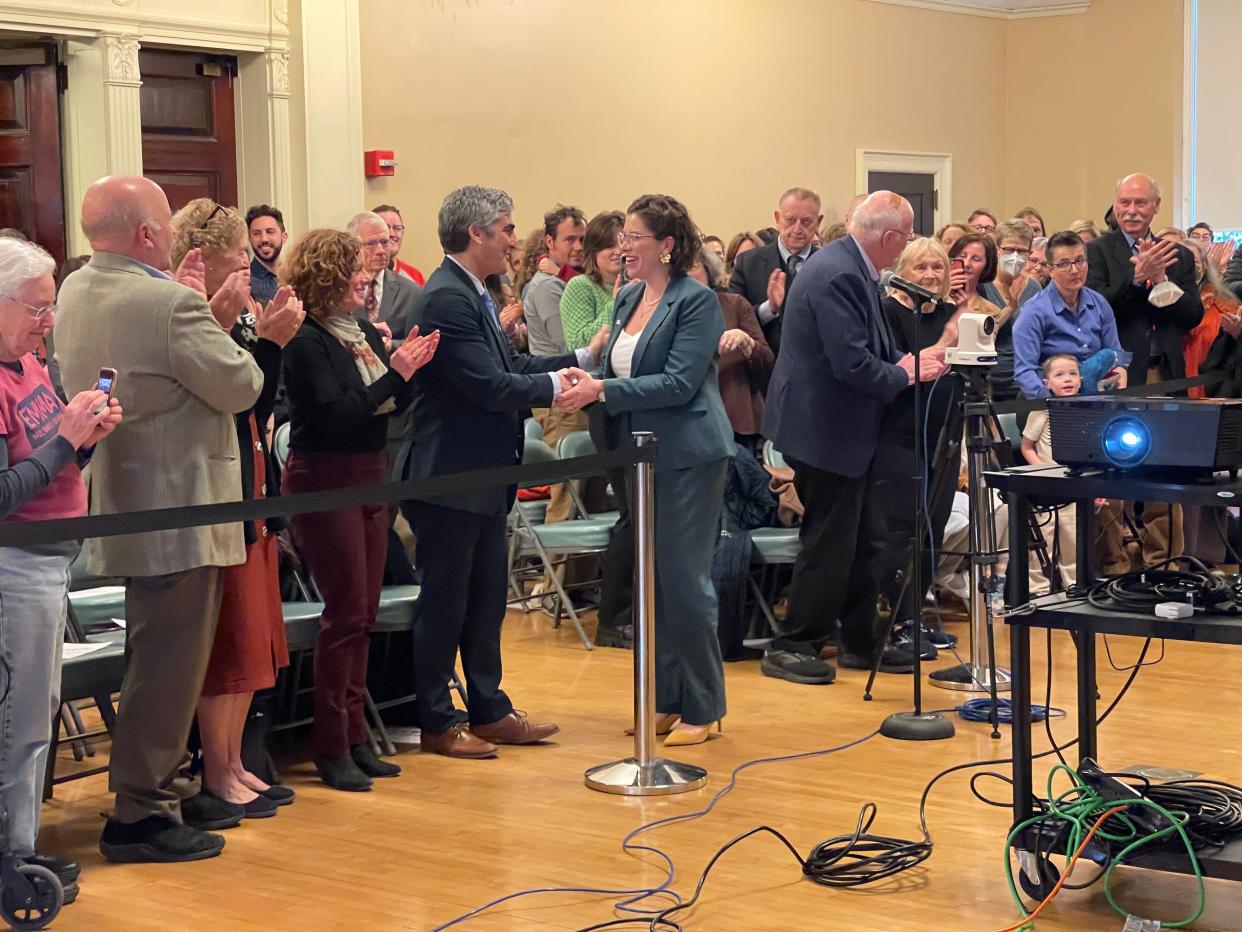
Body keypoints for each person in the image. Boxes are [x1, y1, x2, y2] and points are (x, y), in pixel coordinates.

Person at [55, 175, 264, 862]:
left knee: (155, 659)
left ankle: (148, 798)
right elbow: (240, 385)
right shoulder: (173, 304)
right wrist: (221, 319)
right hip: (181, 509)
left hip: (120, 499)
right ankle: (144, 811)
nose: (174, 233)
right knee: (170, 667)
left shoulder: (76, 289)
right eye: (167, 223)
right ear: (148, 234)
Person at [398, 186, 603, 759]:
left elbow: (507, 365)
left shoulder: (475, 291)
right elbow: (487, 387)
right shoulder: (445, 296)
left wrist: (578, 362)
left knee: (486, 598)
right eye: (508, 230)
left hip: (483, 473)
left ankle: (489, 708)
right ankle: (437, 719)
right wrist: (559, 390)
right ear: (478, 235)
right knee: (446, 603)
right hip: (449, 475)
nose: (516, 240)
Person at [555, 194, 734, 744]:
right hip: (634, 453)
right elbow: (613, 363)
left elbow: (680, 383)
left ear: (667, 245)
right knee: (651, 581)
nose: (623, 247)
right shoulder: (629, 295)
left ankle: (704, 705)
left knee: (684, 580)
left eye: (634, 238)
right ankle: (664, 697)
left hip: (687, 454)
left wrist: (603, 388)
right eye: (622, 238)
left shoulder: (696, 301)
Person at [760, 192, 946, 685]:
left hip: (842, 426)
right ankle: (795, 643)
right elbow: (851, 363)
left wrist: (902, 363)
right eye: (905, 238)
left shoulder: (849, 264)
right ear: (889, 238)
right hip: (825, 428)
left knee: (866, 538)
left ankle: (863, 641)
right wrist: (904, 375)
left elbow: (868, 349)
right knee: (830, 541)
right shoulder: (841, 272)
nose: (906, 246)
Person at [281, 229, 439, 790]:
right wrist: (396, 375)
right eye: (355, 267)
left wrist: (410, 371)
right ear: (328, 276)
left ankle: (355, 736)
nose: (367, 276)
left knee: (364, 614)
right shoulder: (306, 341)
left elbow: (389, 406)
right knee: (344, 615)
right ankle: (331, 743)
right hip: (325, 478)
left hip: (371, 472)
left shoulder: (362, 332)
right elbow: (336, 416)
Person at [169, 199, 304, 817]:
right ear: (204, 259)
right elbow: (235, 398)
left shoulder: (232, 314)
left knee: (255, 641)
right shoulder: (193, 317)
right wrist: (262, 340)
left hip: (253, 481)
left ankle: (237, 762)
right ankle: (216, 768)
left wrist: (262, 336)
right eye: (235, 261)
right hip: (219, 491)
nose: (246, 273)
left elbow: (261, 400)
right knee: (231, 643)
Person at [0, 237, 122, 899]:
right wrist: (65, 443)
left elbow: (52, 465)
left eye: (51, 309)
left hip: (50, 560)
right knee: (16, 718)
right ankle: (11, 858)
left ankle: (21, 848)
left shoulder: (30, 365)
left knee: (33, 715)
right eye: (36, 308)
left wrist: (85, 442)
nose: (48, 322)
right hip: (12, 567)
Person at [873, 237, 961, 660]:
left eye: (937, 268)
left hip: (944, 437)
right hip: (898, 435)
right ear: (902, 273)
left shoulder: (952, 316)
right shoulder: (886, 314)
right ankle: (891, 620)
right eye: (920, 268)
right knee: (902, 530)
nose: (930, 276)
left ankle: (916, 614)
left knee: (933, 528)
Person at [1086, 173, 1203, 385]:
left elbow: (1193, 316)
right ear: (1115, 205)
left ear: (1156, 205)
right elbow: (1094, 310)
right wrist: (1136, 280)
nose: (1132, 211)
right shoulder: (1096, 251)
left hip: (1167, 372)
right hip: (1118, 372)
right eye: (1124, 203)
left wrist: (1162, 282)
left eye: (1140, 203)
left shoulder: (1176, 254)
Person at [523, 206, 592, 525]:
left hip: (575, 396)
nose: (578, 247)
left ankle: (576, 576)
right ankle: (552, 577)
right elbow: (569, 344)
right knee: (566, 496)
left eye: (582, 239)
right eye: (570, 239)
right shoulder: (549, 285)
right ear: (549, 242)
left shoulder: (569, 280)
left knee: (586, 499)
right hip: (561, 400)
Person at [1012, 230, 1127, 400]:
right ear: (1050, 269)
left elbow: (1116, 354)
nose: (1075, 270)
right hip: (1048, 400)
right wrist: (1055, 405)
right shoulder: (1033, 311)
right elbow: (1024, 371)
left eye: (1080, 261)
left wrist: (1117, 390)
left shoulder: (1099, 303)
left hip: (1096, 395)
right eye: (1064, 264)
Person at [689, 245, 772, 441]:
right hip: (689, 422)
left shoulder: (734, 305)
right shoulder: (668, 311)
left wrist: (746, 343)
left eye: (691, 266)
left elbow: (767, 363)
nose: (684, 274)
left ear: (708, 270)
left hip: (734, 421)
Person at [729, 187, 823, 357]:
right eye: (790, 220)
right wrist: (769, 308)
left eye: (806, 222)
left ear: (818, 222)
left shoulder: (830, 266)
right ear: (777, 219)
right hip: (767, 369)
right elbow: (735, 322)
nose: (797, 228)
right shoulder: (748, 264)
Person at [1019, 353, 1084, 593]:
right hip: (1047, 486)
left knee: (1072, 538)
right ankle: (1038, 588)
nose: (1067, 379)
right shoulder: (1042, 410)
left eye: (1073, 374)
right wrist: (1044, 471)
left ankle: (1074, 585)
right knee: (1042, 537)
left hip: (1074, 486)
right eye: (1059, 375)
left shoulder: (1085, 410)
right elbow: (1027, 446)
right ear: (1046, 383)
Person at [946, 233, 1016, 398]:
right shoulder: (934, 300)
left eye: (976, 259)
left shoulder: (991, 311)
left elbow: (981, 355)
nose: (967, 264)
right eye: (962, 256)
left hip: (975, 389)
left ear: (986, 266)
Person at [560, 211, 624, 354]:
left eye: (622, 243)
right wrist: (616, 303)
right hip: (595, 374)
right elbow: (577, 345)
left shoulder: (640, 284)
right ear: (593, 250)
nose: (618, 251)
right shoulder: (580, 286)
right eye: (609, 246)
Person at [372, 203, 426, 286]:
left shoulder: (415, 277)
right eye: (385, 227)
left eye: (397, 228)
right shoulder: (360, 277)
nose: (392, 234)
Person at [245, 204, 287, 305]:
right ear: (249, 239)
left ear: (284, 237)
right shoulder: (245, 281)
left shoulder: (296, 276)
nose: (264, 239)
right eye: (256, 233)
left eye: (270, 232)